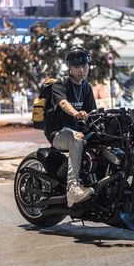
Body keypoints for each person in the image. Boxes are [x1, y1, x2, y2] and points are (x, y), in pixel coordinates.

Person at [44, 46, 97, 208]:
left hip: (77, 130)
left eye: (84, 66)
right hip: (57, 133)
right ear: (70, 68)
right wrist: (76, 113)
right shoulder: (60, 85)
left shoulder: (86, 87)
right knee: (77, 139)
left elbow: (93, 112)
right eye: (77, 66)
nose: (82, 70)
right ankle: (72, 188)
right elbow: (63, 103)